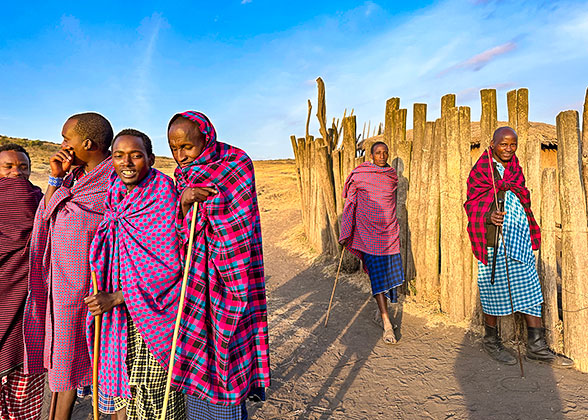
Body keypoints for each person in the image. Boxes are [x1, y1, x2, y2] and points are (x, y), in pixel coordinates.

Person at [167, 111, 270, 420]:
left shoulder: (236, 164)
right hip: (194, 275)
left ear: (206, 138)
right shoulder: (180, 176)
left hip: (231, 272)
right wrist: (185, 201)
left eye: (187, 146)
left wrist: (208, 203)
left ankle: (228, 409)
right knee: (198, 340)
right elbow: (176, 224)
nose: (181, 155)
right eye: (174, 148)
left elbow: (241, 220)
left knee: (228, 341)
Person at [84, 129, 186, 419]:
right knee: (122, 394)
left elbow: (168, 266)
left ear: (150, 159)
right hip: (115, 314)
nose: (126, 162)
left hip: (155, 312)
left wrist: (116, 297)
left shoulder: (163, 194)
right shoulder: (114, 192)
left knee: (156, 399)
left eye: (136, 155)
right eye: (119, 155)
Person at [23, 112, 117, 420]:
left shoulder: (114, 181)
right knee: (63, 364)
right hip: (61, 291)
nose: (62, 144)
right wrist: (54, 178)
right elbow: (47, 214)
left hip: (97, 293)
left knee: (107, 369)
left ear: (87, 143)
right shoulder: (73, 178)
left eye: (67, 139)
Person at [464, 126, 573, 367]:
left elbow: (521, 194)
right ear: (492, 144)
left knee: (530, 287)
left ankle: (537, 346)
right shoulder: (482, 170)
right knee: (494, 288)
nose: (508, 149)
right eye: (503, 144)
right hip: (495, 239)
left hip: (518, 236)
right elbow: (471, 203)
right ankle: (491, 341)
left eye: (513, 144)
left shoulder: (514, 168)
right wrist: (488, 215)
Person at [339, 141, 404, 345]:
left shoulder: (392, 176)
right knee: (377, 277)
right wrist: (348, 226)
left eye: (385, 153)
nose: (382, 156)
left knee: (390, 275)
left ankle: (380, 311)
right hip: (369, 234)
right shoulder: (360, 175)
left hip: (389, 232)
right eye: (378, 153)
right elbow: (350, 199)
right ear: (371, 155)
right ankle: (386, 322)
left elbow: (389, 201)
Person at [0, 144, 45, 420]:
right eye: (8, 167)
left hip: (27, 316)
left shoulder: (40, 200)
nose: (17, 173)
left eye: (23, 167)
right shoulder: (40, 200)